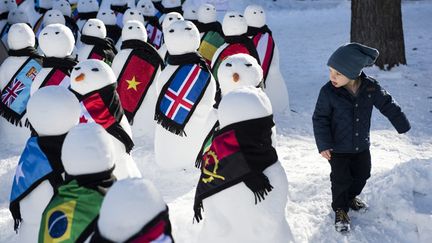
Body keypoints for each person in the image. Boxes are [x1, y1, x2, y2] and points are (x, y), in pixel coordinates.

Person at [312, 42, 411, 233]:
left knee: (363, 174)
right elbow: (320, 118)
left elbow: (387, 104)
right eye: (330, 71)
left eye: (338, 73)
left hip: (361, 145)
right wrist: (324, 144)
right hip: (337, 149)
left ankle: (350, 197)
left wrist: (402, 123)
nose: (332, 76)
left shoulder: (370, 87)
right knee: (340, 180)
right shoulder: (328, 92)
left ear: (354, 72)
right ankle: (341, 209)